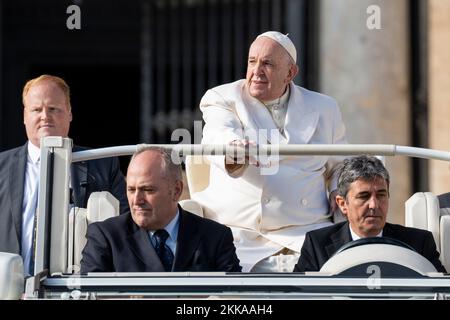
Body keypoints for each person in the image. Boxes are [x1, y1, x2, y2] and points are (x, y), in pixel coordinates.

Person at [193, 31, 347, 272]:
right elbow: (218, 133)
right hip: (238, 234)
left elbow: (340, 166)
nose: (256, 71)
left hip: (306, 232)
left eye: (267, 63)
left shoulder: (324, 107)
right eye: (252, 61)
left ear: (290, 73)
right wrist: (233, 148)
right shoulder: (223, 97)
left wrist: (339, 188)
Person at [0, 74, 128, 275]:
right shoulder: (1, 167)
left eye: (53, 109)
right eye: (36, 110)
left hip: (77, 287)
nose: (45, 116)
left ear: (69, 113)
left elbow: (126, 225)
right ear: (24, 116)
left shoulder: (102, 164)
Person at [80, 146, 242, 273]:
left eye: (148, 190)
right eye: (131, 189)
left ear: (176, 190)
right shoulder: (106, 237)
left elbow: (233, 299)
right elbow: (89, 295)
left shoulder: (215, 237)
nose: (137, 200)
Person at [293, 155, 446, 273]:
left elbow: (442, 292)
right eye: (363, 196)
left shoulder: (419, 243)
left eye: (381, 195)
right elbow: (295, 295)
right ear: (342, 204)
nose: (374, 205)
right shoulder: (317, 245)